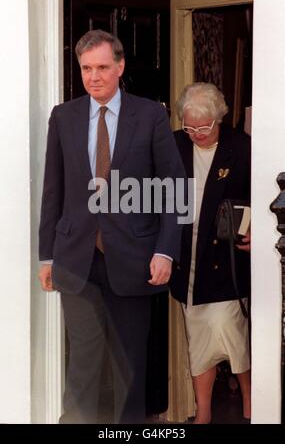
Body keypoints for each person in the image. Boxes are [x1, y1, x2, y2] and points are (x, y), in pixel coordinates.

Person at [38, 29, 185, 424]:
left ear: (120, 67)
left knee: (130, 363)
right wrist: (47, 256)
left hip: (135, 260)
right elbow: (53, 190)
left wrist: (165, 250)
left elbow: (174, 187)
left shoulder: (151, 114)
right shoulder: (63, 117)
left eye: (102, 67)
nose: (93, 76)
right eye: (86, 68)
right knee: (83, 362)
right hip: (75, 259)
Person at [170, 82, 251, 424]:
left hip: (226, 261)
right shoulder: (174, 144)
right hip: (189, 259)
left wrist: (255, 228)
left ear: (219, 118)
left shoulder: (242, 147)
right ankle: (203, 412)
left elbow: (262, 196)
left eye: (203, 127)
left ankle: (251, 402)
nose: (196, 134)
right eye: (190, 127)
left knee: (232, 335)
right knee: (199, 337)